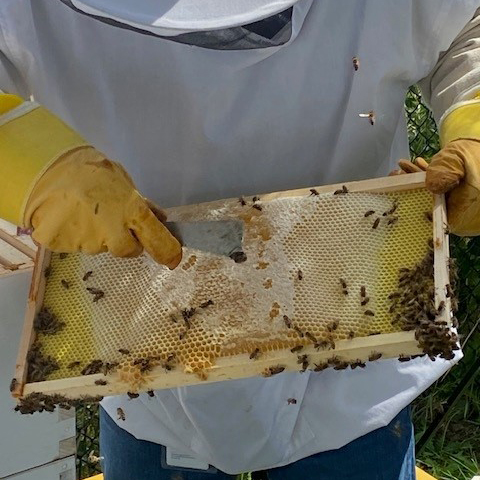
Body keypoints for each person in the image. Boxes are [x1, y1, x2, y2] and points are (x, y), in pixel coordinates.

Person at [1, 1, 480, 478]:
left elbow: (464, 23)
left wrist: (474, 121)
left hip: (353, 377)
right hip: (144, 368)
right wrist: (27, 166)